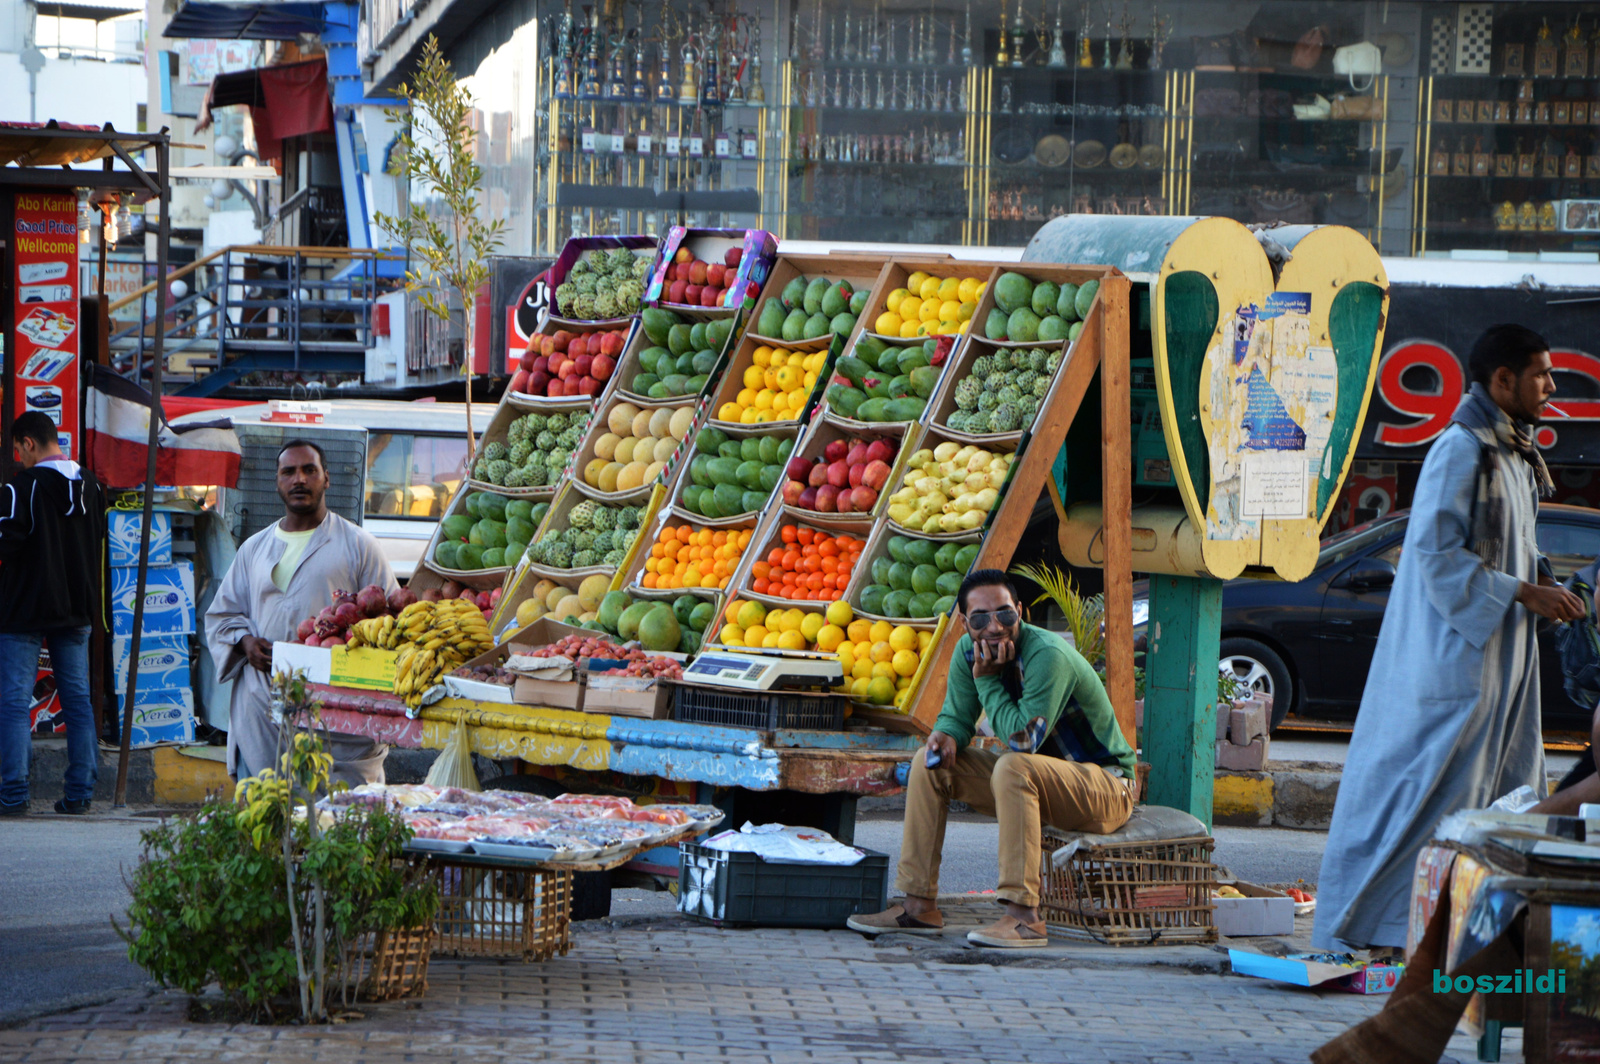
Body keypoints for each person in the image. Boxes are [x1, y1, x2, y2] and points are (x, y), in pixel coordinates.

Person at [1314, 324, 1584, 954]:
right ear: (1502, 381)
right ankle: (1371, 927)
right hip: (1452, 667)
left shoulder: (1513, 453)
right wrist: (1524, 593)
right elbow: (1434, 554)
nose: (1550, 386)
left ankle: (1460, 934)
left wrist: (1548, 582)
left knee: (1500, 797)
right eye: (1541, 375)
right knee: (1419, 798)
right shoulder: (1461, 449)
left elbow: (1516, 546)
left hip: (1500, 668)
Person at [847, 570, 1137, 948]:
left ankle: (1024, 918)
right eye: (981, 618)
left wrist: (986, 679)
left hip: (1107, 788)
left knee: (1013, 765)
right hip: (1038, 783)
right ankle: (917, 907)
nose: (995, 626)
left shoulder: (1046, 655)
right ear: (966, 623)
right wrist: (945, 737)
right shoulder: (966, 653)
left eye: (1005, 614)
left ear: (1020, 612)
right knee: (927, 762)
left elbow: (1022, 742)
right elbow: (956, 717)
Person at [205, 439, 397, 785]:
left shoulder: (358, 545)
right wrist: (245, 641)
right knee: (265, 807)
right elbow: (222, 615)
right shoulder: (254, 548)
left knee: (334, 815)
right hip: (261, 701)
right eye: (289, 472)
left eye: (310, 470)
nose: (299, 479)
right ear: (277, 482)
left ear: (326, 479)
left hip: (334, 702)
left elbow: (392, 619)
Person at [0, 411, 101, 816]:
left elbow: (6, 544)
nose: (16, 458)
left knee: (12, 701)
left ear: (28, 443)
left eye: (16, 450)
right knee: (78, 701)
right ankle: (80, 793)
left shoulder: (20, 488)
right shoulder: (93, 486)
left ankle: (12, 793)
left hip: (23, 609)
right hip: (77, 609)